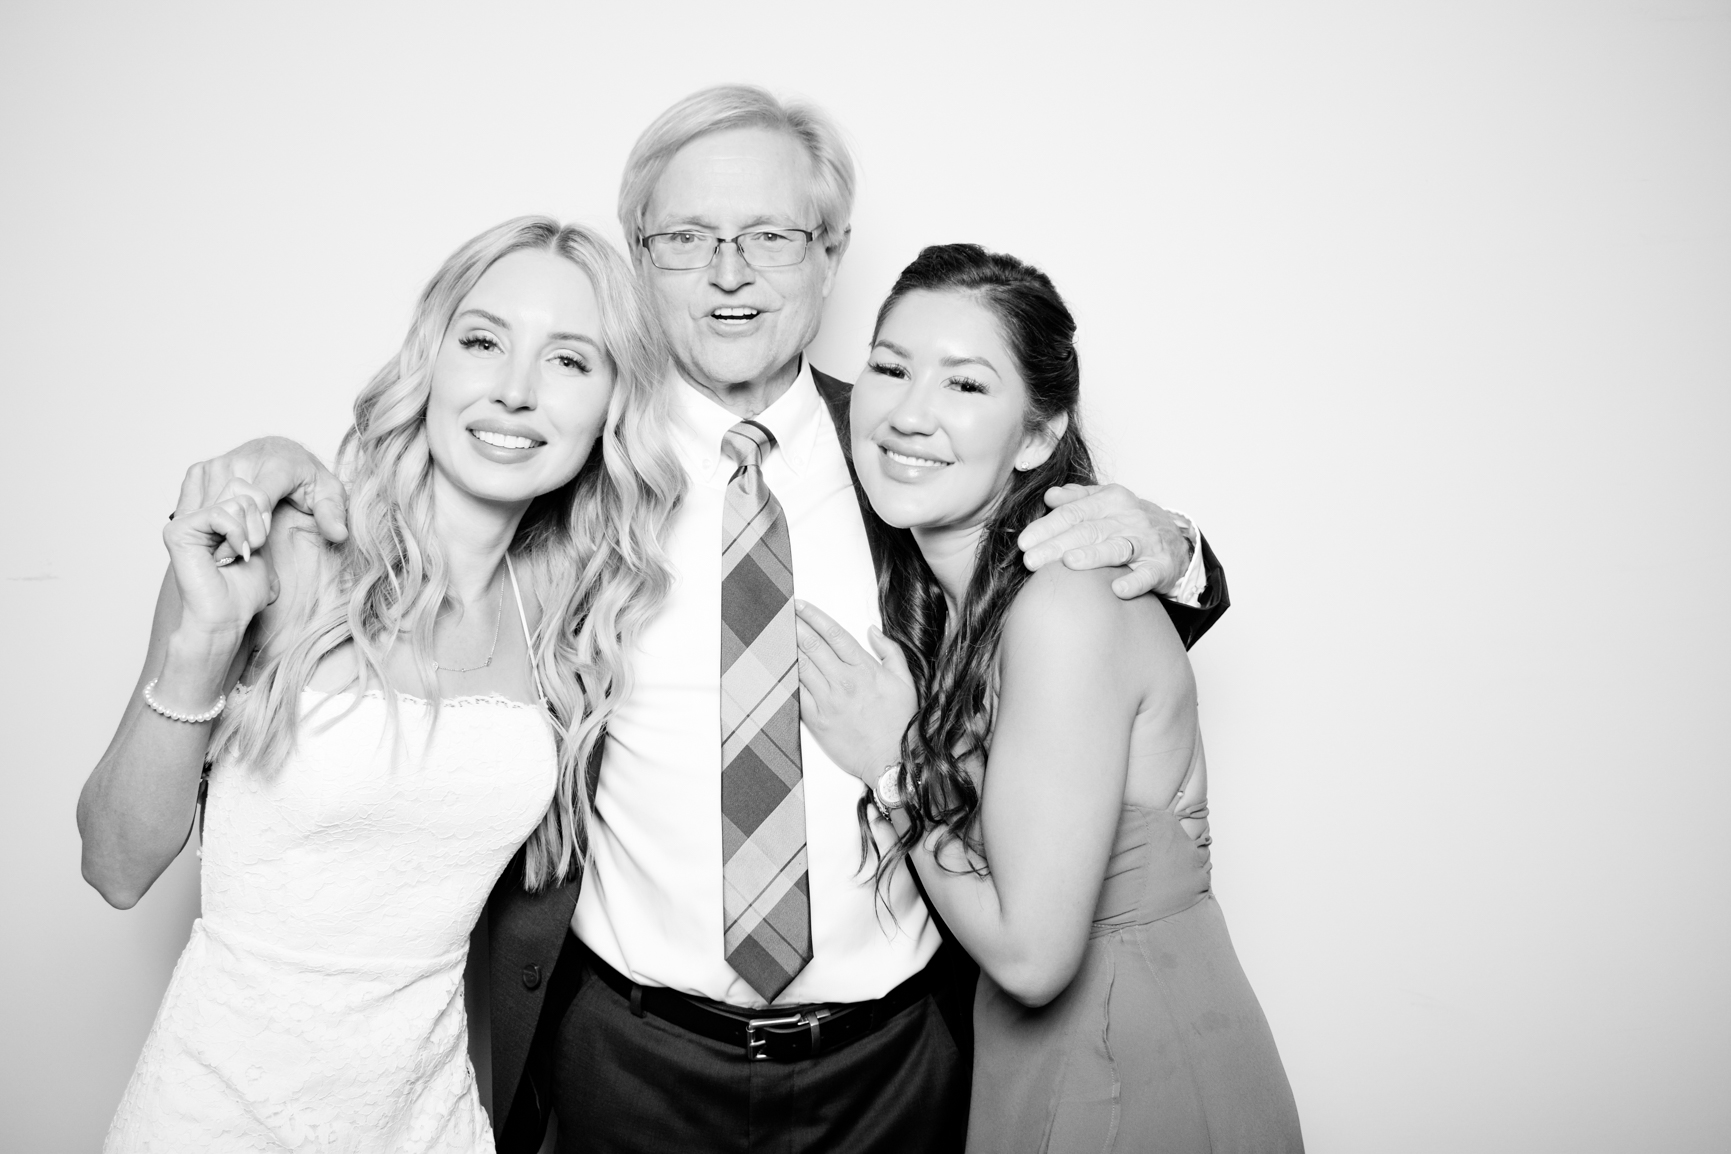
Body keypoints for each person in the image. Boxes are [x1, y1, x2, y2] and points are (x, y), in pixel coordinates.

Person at [172, 86, 1231, 1153]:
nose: (731, 273)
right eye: (686, 237)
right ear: (638, 255)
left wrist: (1179, 549)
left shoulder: (905, 453)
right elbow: (401, 530)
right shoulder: (567, 467)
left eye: (770, 235)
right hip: (626, 1057)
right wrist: (272, 471)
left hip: (896, 1062)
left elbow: (1063, 655)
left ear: (831, 252)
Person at [77, 217, 684, 1151]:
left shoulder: (568, 607)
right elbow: (115, 867)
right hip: (216, 1113)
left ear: (613, 404)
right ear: (430, 360)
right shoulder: (285, 554)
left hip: (428, 1120)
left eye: (569, 361)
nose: (515, 390)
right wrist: (202, 641)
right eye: (482, 342)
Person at [795, 243, 1302, 1152]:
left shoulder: (1063, 602)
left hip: (1125, 1062)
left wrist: (891, 766)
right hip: (1025, 1052)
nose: (910, 411)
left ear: (1036, 437)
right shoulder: (938, 570)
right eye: (890, 368)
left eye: (965, 384)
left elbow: (1033, 956)